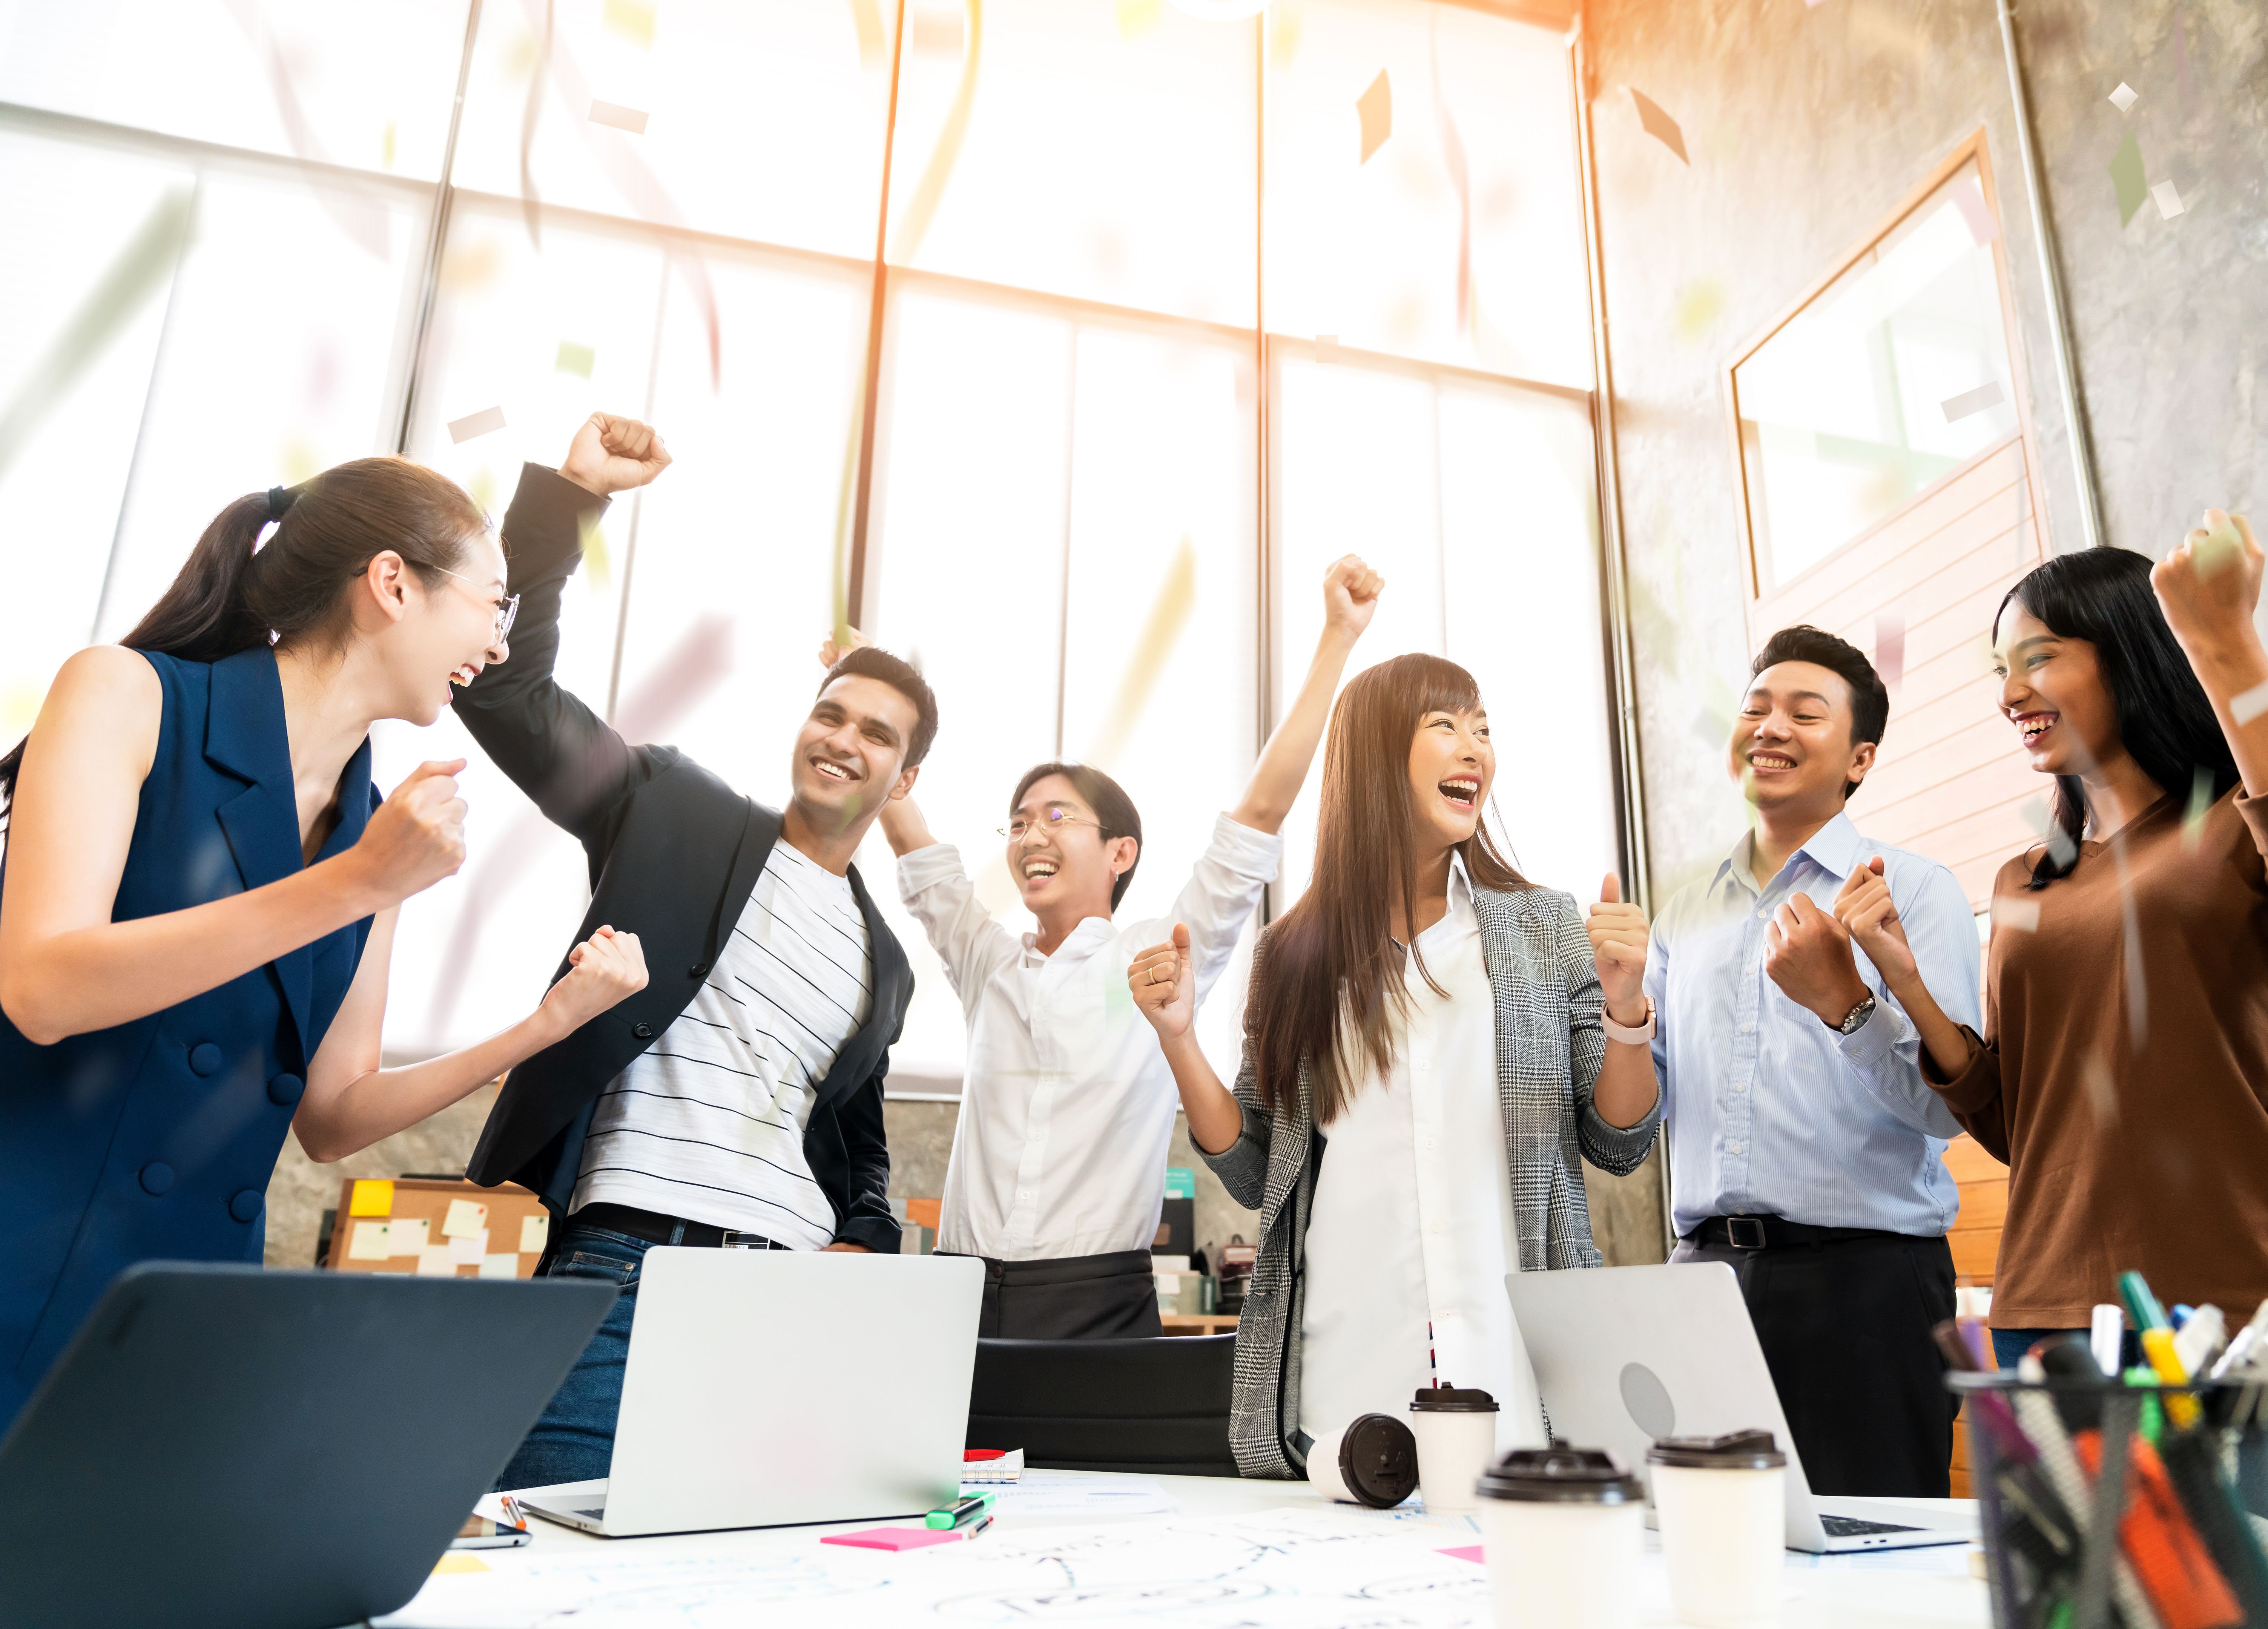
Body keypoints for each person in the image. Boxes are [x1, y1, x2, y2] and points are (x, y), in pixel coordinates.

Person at [0, 446, 649, 1427]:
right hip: (24, 1270)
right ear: (391, 584)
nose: (502, 646)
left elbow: (334, 1116)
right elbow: (43, 989)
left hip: (185, 1319)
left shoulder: (369, 823)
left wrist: (545, 1026)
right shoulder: (126, 697)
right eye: (492, 603)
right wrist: (356, 882)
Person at [1835, 516, 2268, 1580]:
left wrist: (2227, 647)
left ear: (2136, 651)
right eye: (1997, 672)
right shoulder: (2023, 882)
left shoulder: (2251, 806)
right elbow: (2020, 1115)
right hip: (2050, 1331)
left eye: (2039, 658)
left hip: (2249, 1318)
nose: (2009, 693)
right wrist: (1901, 984)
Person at [447, 416, 935, 1489]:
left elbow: (857, 1141)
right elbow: (503, 691)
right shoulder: (672, 811)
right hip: (627, 1265)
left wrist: (865, 1232)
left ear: (901, 783)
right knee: (544, 1558)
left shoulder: (883, 959)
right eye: (830, 712)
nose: (842, 738)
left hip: (788, 1303)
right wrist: (570, 498)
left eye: (877, 734)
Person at [1128, 653, 1661, 1477]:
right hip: (1348, 1358)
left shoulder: (1542, 927)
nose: (1474, 748)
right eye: (1445, 725)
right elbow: (1254, 1163)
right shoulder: (1291, 955)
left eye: (1483, 729)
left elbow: (1618, 1141)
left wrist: (1626, 1010)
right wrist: (1175, 1038)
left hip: (1516, 1361)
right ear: (1376, 754)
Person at [842, 556, 1384, 1340]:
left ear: (1120, 853)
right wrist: (862, 697)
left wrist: (1336, 637)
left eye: (1057, 818)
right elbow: (909, 833)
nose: (1031, 833)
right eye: (1020, 821)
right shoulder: (987, 961)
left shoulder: (1156, 955)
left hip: (1094, 1301)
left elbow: (1260, 815)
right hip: (957, 1298)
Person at [1594, 625, 1980, 1497]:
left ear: (1859, 759)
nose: (1769, 727)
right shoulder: (1685, 911)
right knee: (1703, 1558)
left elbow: (1952, 1111)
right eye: (1753, 709)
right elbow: (1626, 1123)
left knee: (1868, 1567)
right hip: (1701, 1283)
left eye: (1804, 714)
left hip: (1867, 1288)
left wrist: (1843, 1004)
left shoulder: (1912, 891)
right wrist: (1621, 1007)